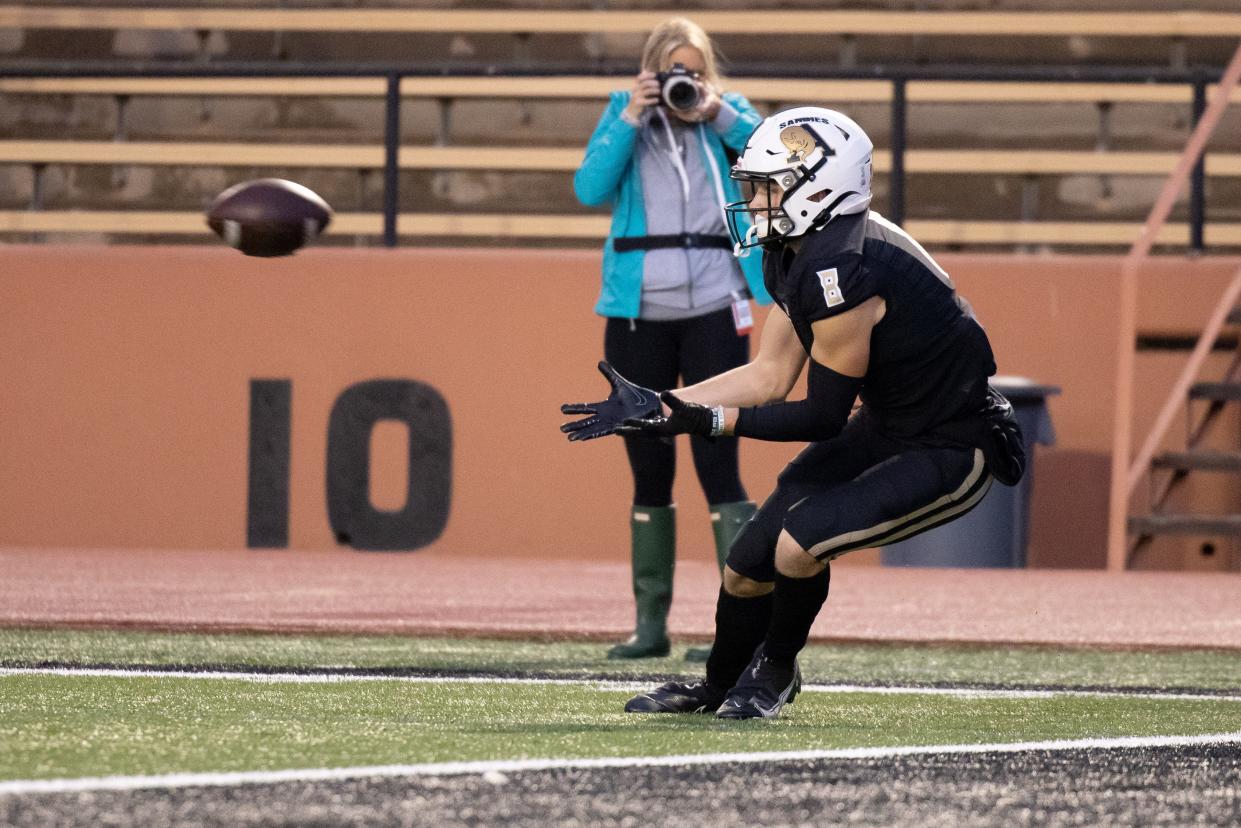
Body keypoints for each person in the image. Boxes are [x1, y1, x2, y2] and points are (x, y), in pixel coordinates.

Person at [562, 105, 1024, 717]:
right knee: (746, 562)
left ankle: (775, 672)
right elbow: (770, 375)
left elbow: (822, 416)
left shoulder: (844, 266)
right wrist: (667, 401)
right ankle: (717, 684)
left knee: (797, 544)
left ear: (820, 189)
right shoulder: (806, 248)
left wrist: (704, 420)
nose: (754, 203)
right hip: (888, 425)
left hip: (951, 444)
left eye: (768, 188)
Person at [566, 17, 773, 660]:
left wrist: (718, 113)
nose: (685, 82)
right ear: (653, 72)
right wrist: (630, 114)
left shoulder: (729, 115)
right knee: (648, 461)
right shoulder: (624, 115)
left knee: (718, 460)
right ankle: (650, 624)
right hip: (638, 312)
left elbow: (777, 159)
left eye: (695, 70)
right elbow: (588, 188)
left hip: (717, 303)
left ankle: (734, 629)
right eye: (673, 71)